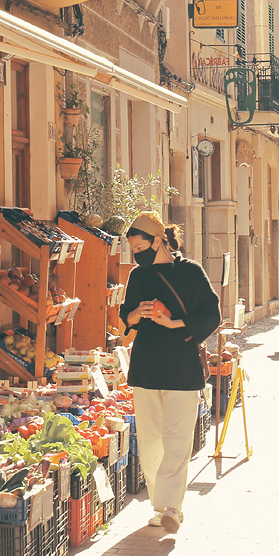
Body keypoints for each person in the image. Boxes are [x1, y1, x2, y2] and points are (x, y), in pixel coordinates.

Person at [121, 211, 221, 534]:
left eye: (141, 248)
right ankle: (161, 505)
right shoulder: (138, 277)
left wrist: (174, 322)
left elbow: (211, 313)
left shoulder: (191, 273)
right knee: (150, 443)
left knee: (177, 440)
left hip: (182, 366)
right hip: (147, 368)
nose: (138, 256)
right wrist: (137, 313)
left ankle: (173, 509)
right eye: (134, 251)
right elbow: (126, 316)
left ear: (159, 241)